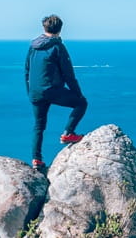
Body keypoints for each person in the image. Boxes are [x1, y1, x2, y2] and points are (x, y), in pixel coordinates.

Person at [24, 14, 88, 171]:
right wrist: (77, 93)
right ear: (60, 29)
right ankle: (68, 133)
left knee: (39, 125)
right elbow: (68, 74)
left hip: (35, 91)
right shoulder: (57, 46)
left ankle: (36, 160)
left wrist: (30, 92)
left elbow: (27, 70)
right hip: (51, 89)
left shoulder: (33, 46)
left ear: (44, 28)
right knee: (81, 103)